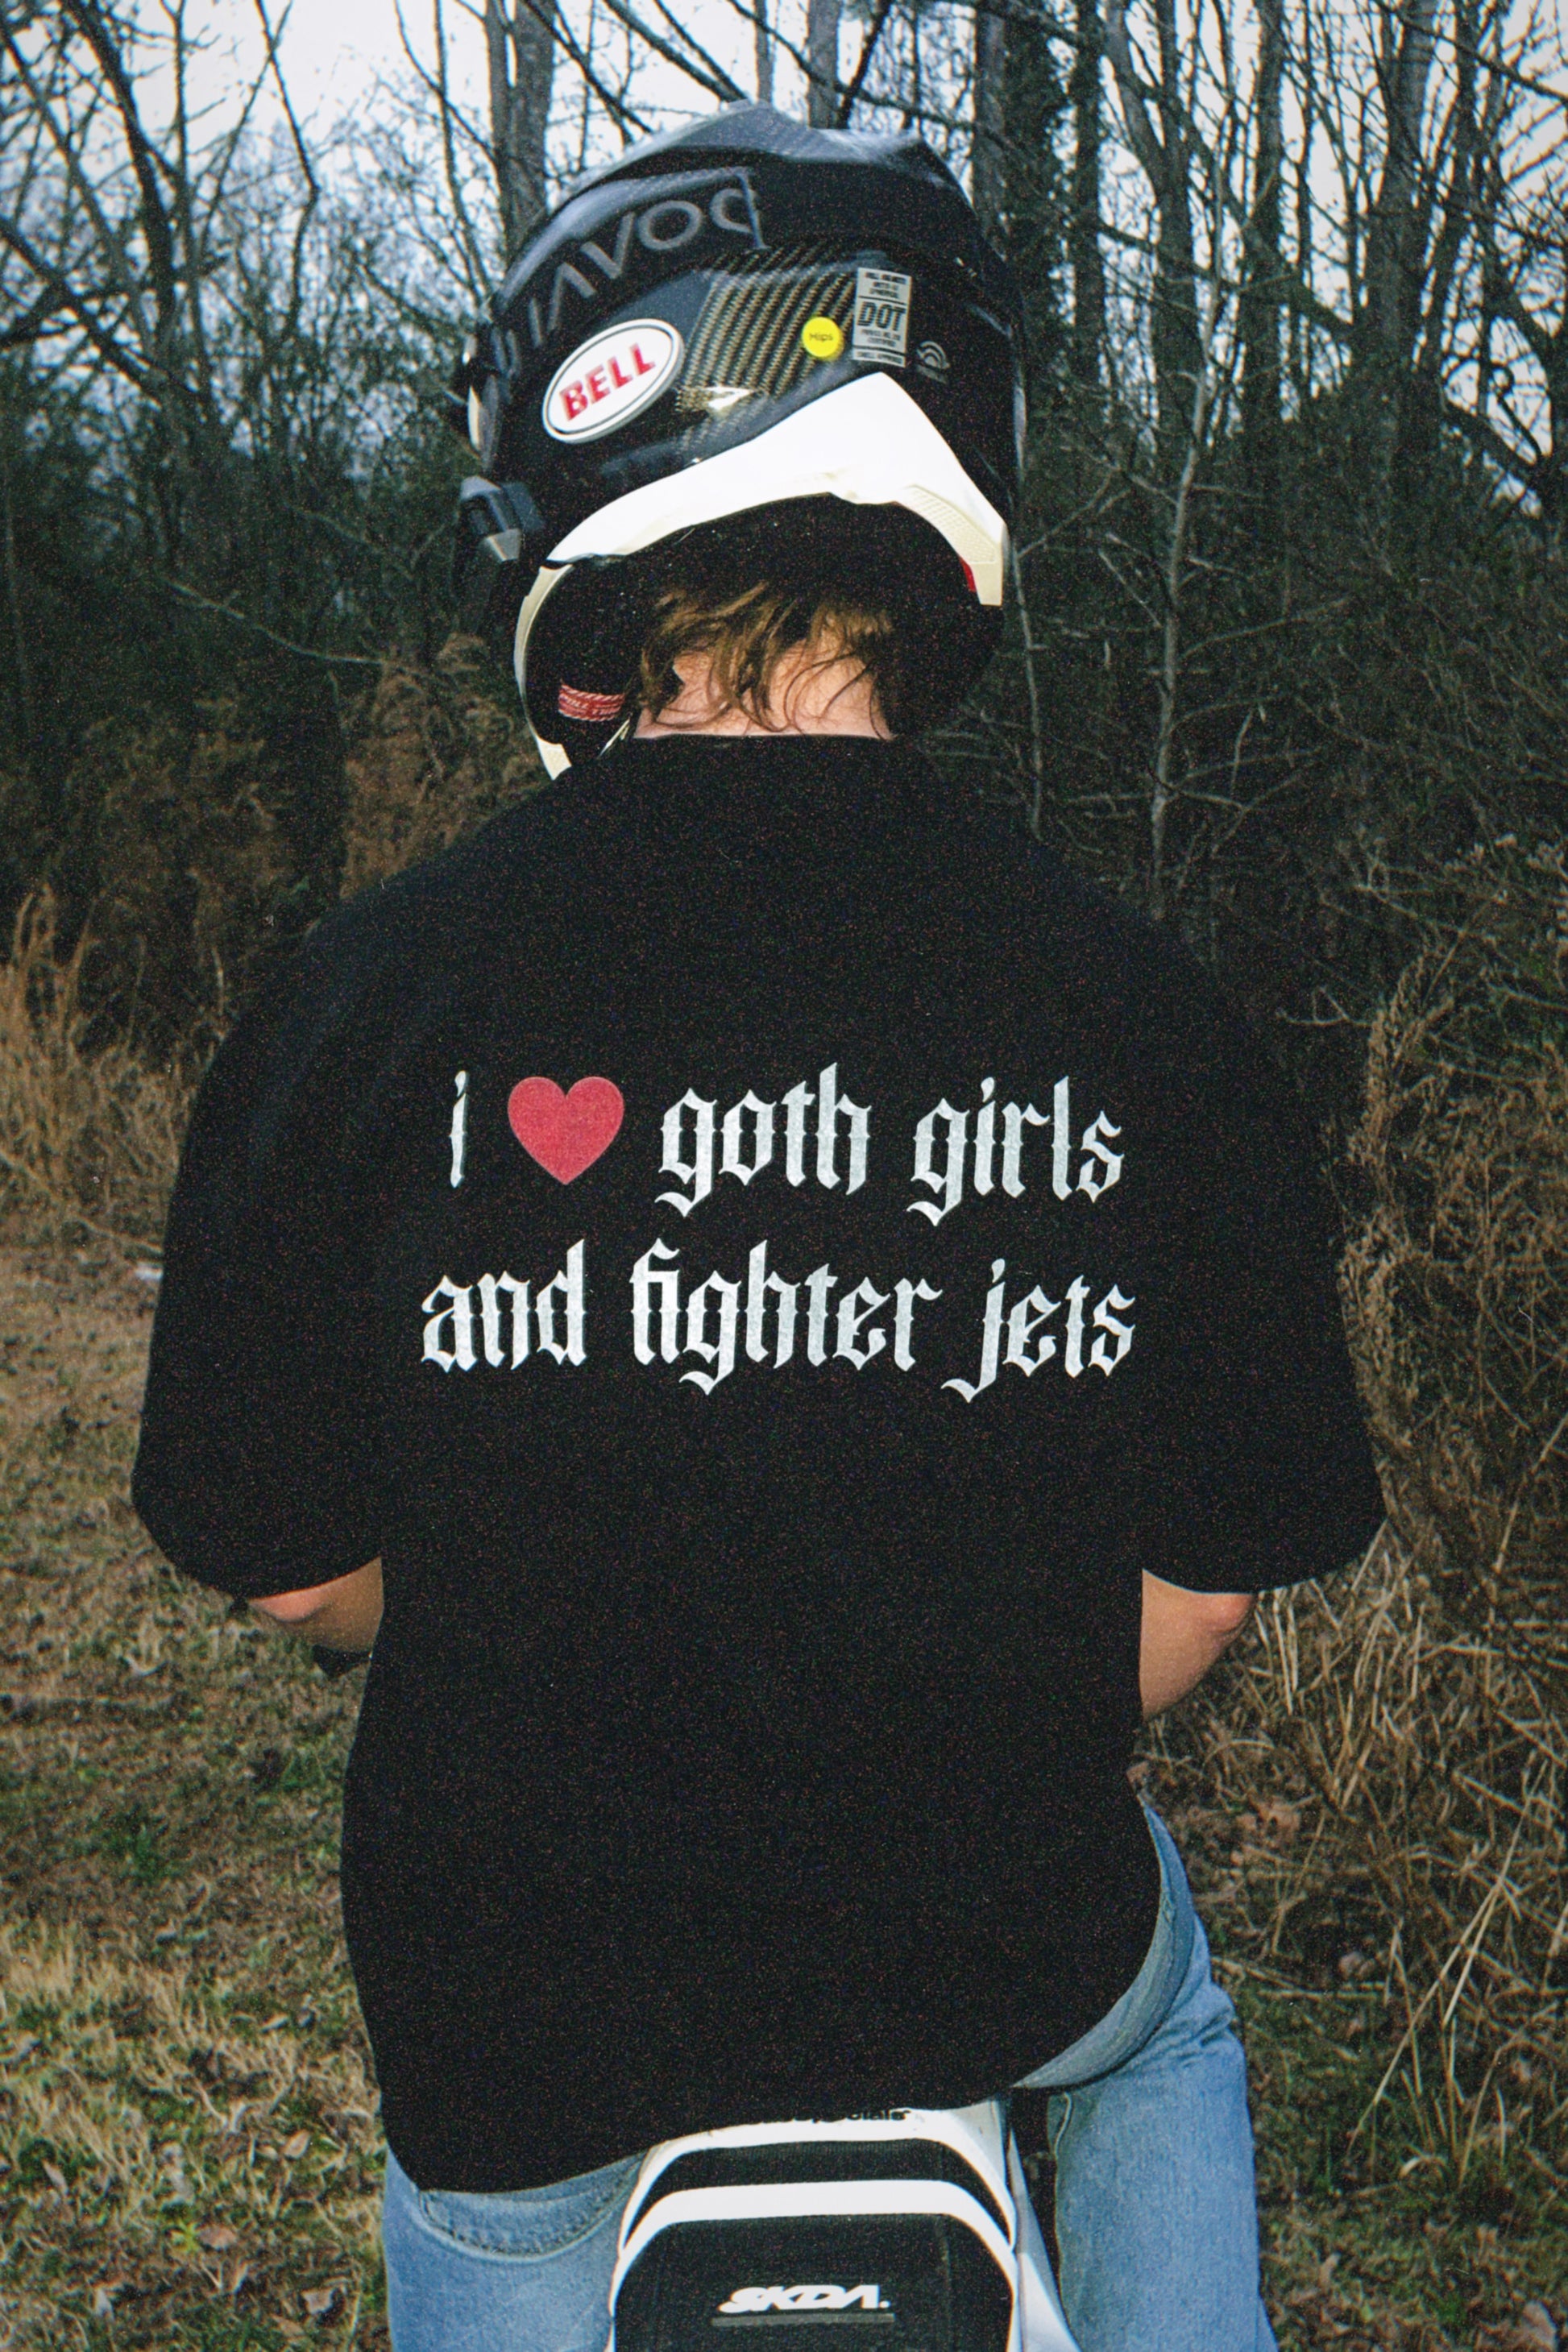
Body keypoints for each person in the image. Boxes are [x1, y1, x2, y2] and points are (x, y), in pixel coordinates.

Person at [132, 106, 1383, 2352]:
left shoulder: (365, 997)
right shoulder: (1145, 1010)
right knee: (1162, 2036)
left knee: (488, 2183)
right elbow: (1201, 1597)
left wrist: (528, 1609)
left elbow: (288, 1561)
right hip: (996, 1952)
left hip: (523, 2024)